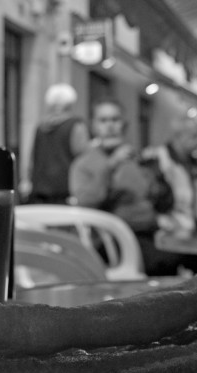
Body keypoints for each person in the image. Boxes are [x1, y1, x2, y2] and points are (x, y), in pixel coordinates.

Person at [69, 97, 180, 275]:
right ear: (94, 125)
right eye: (103, 120)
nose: (110, 126)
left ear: (124, 124)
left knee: (191, 256)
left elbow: (159, 200)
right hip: (111, 240)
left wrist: (157, 173)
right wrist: (111, 166)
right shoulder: (83, 164)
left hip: (150, 233)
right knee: (169, 260)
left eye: (115, 120)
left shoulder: (135, 158)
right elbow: (85, 202)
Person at [141, 114, 197, 232]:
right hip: (166, 232)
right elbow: (148, 200)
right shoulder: (156, 159)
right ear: (179, 136)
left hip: (192, 229)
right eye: (195, 136)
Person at [29, 83, 89, 203]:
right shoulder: (76, 126)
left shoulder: (41, 127)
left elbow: (33, 159)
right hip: (66, 191)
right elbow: (83, 158)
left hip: (40, 191)